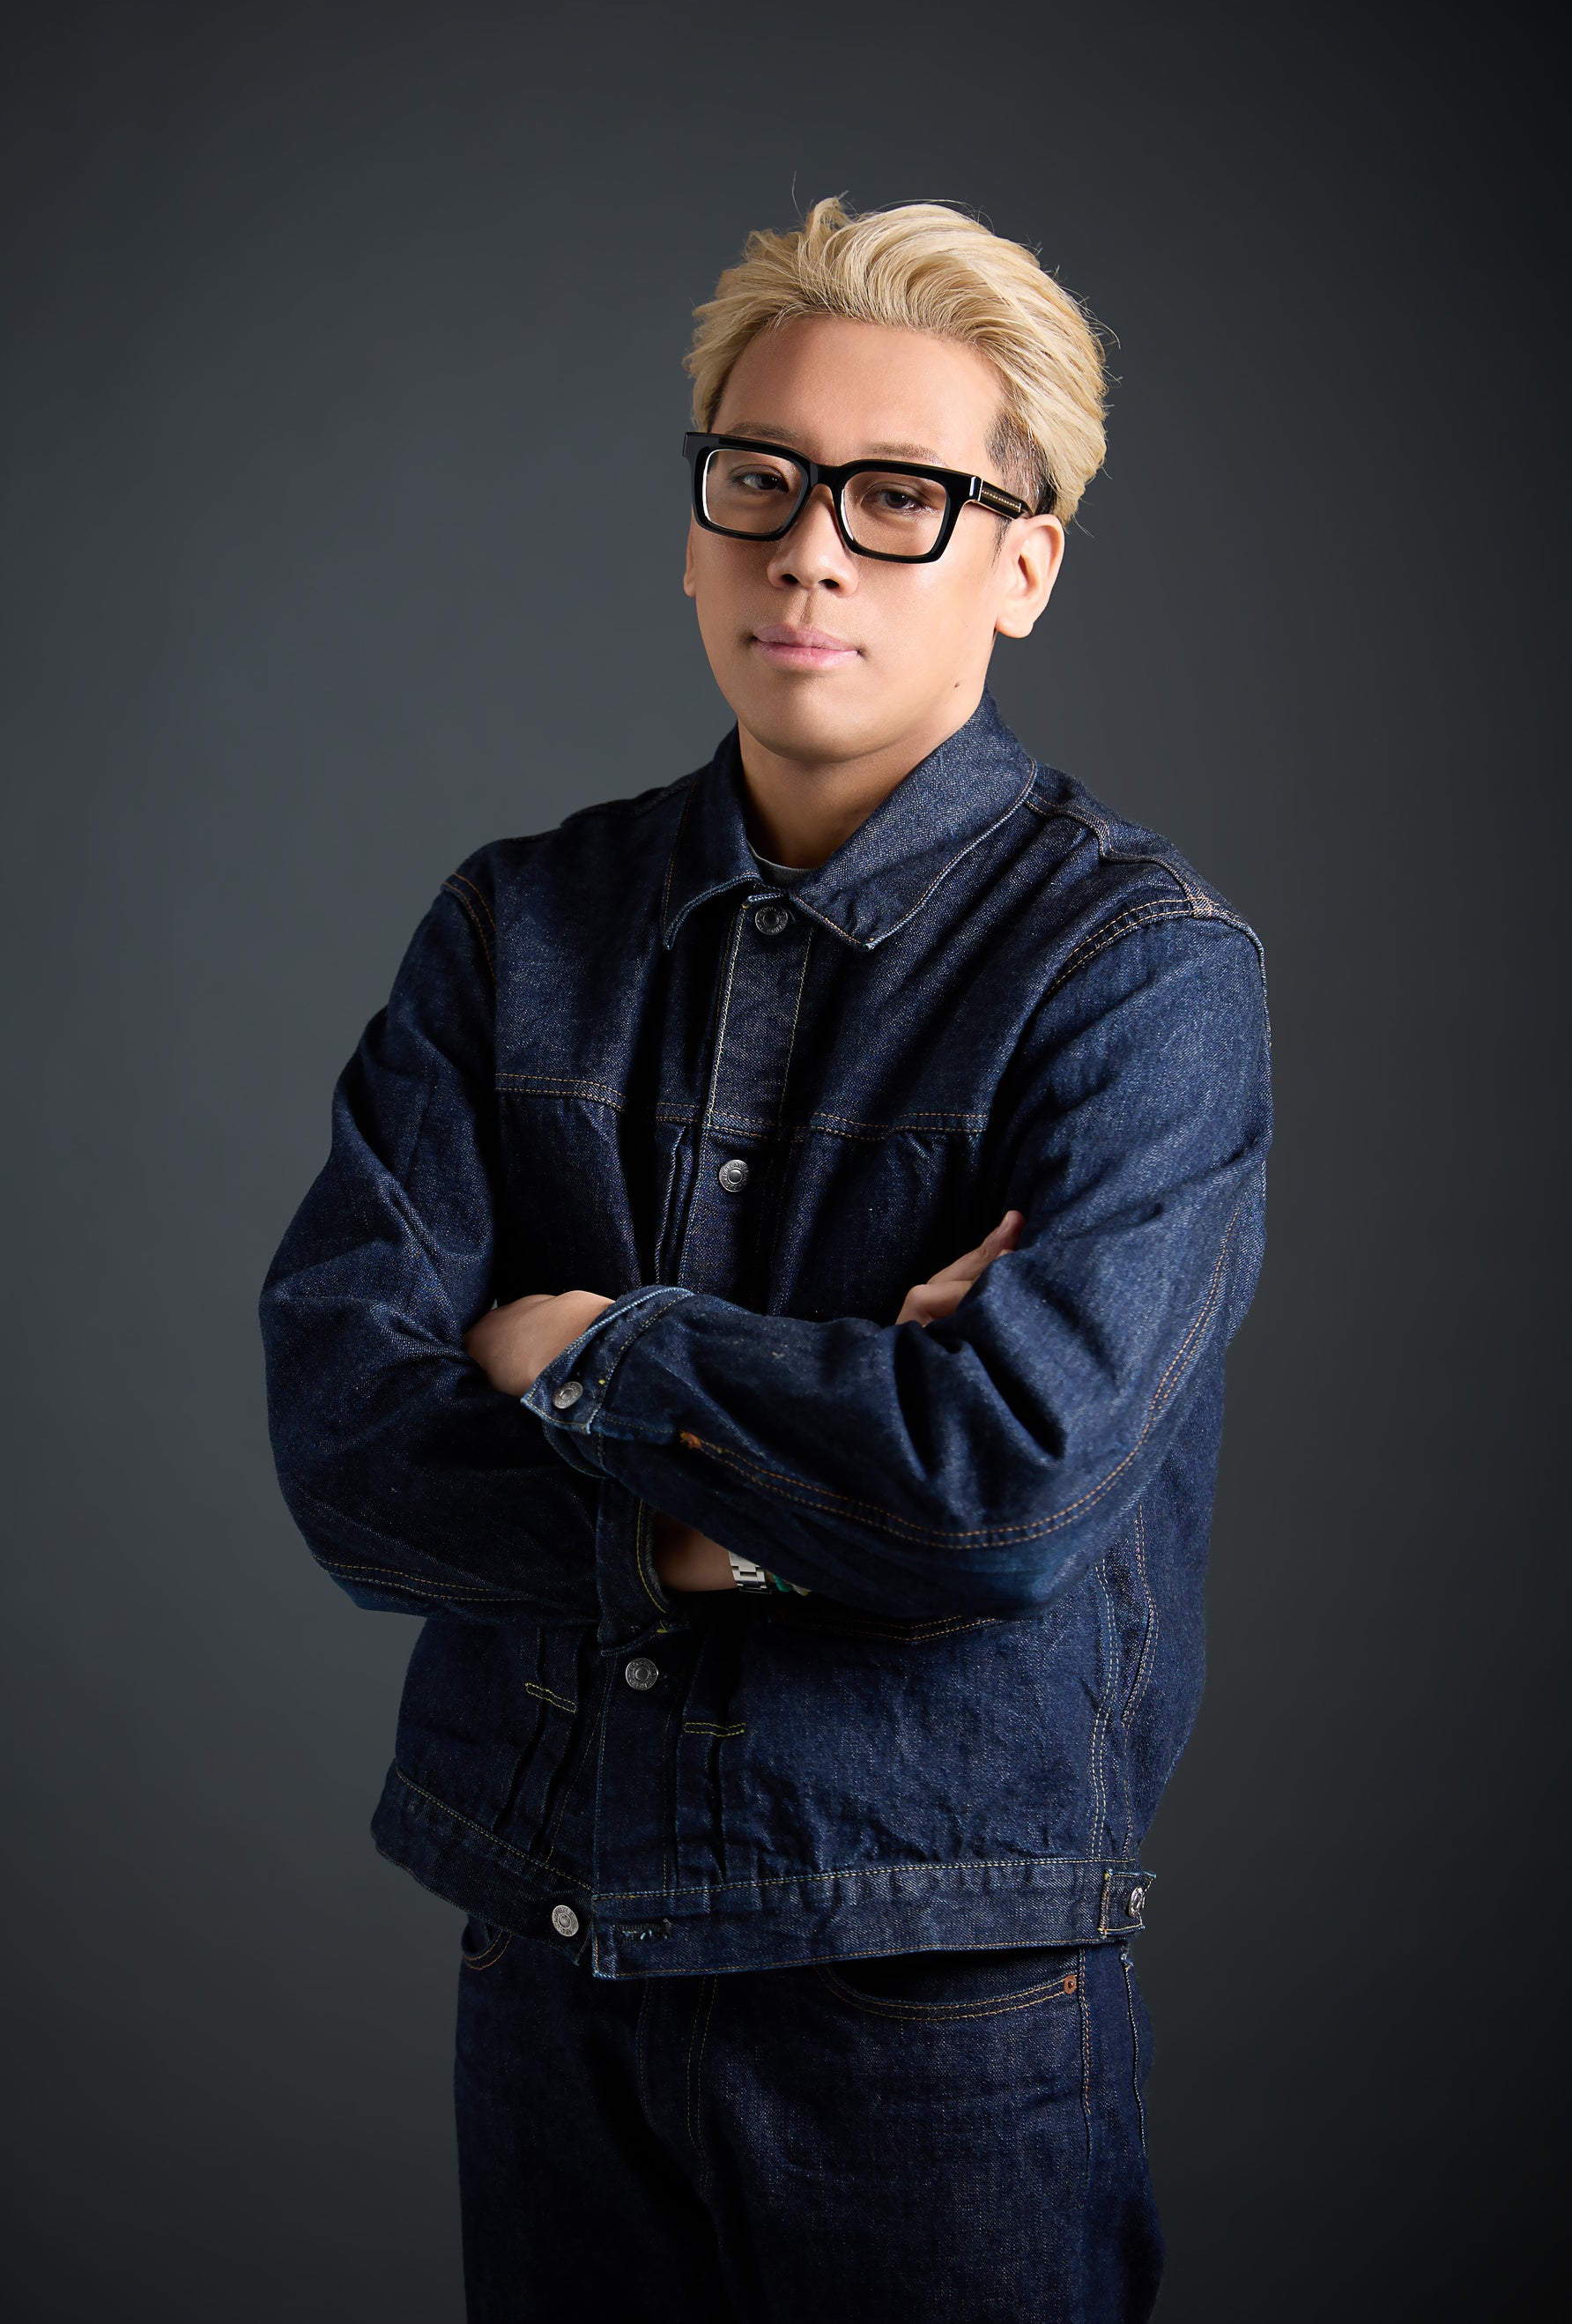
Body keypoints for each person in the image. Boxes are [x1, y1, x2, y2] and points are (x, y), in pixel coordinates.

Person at [260, 195, 1271, 2322]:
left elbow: (1001, 1493)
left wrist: (588, 1351)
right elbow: (348, 1447)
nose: (811, 549)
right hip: (551, 1944)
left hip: (933, 1998)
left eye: (901, 496)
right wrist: (758, 1520)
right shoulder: (514, 929)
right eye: (763, 479)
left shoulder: (1140, 972)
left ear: (1024, 563)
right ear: (700, 524)